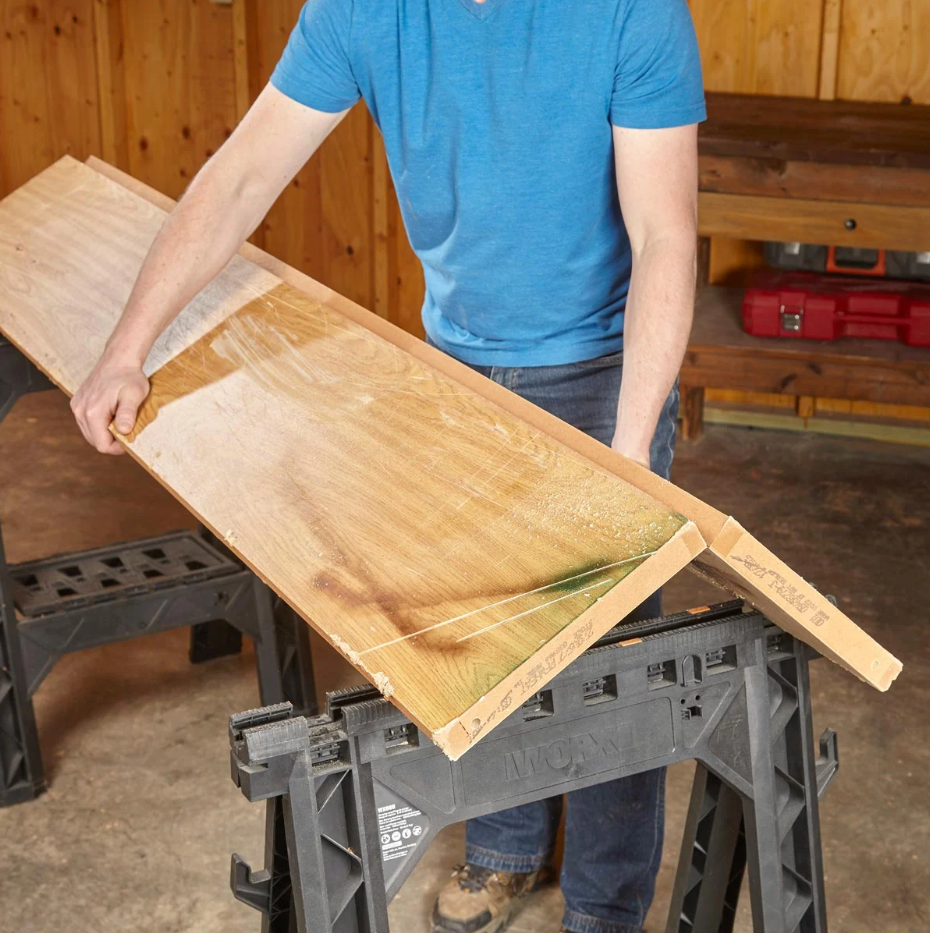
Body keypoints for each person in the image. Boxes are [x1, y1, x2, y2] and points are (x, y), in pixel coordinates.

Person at [71, 0, 705, 930]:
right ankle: (504, 850)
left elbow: (665, 235)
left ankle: (607, 906)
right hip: (457, 360)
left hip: (604, 370)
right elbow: (244, 173)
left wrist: (629, 445)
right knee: (483, 624)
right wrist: (128, 344)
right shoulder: (362, 10)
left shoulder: (632, 14)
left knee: (609, 662)